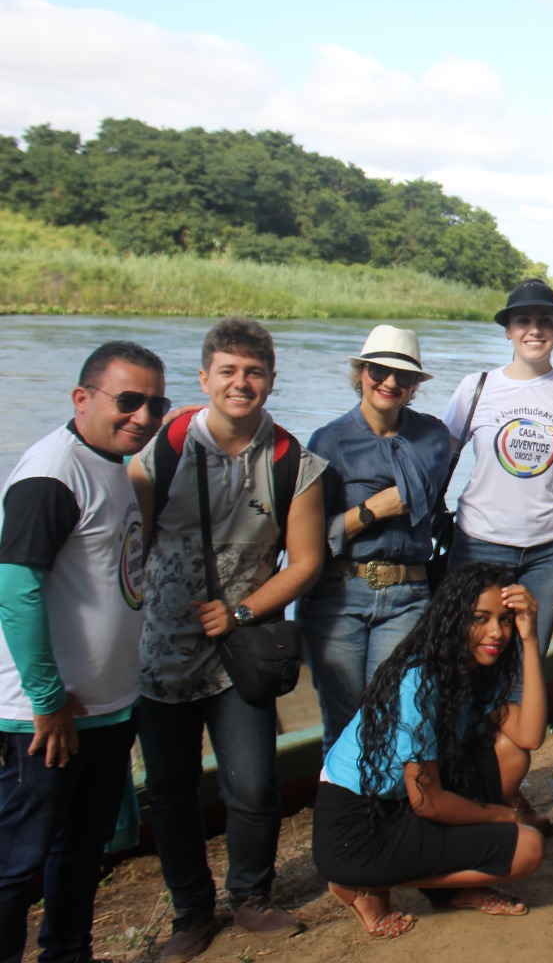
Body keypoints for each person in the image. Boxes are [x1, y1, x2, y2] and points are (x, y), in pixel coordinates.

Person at [130, 317, 328, 961]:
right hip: (161, 649)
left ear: (271, 380)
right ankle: (191, 911)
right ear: (204, 377)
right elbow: (124, 537)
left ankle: (250, 897)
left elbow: (304, 561)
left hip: (239, 649)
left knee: (253, 783)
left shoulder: (292, 461)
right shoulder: (163, 445)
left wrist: (240, 612)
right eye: (228, 371)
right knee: (170, 788)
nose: (240, 383)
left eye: (254, 372)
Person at [0, 342, 167, 963]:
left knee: (81, 850)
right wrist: (47, 700)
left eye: (156, 404)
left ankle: (67, 953)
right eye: (128, 401)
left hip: (105, 708)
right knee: (19, 861)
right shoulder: (53, 473)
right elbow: (15, 589)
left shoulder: (111, 464)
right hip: (45, 717)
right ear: (82, 398)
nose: (144, 417)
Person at [312, 563, 547, 938]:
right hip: (357, 828)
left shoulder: (468, 671)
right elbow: (427, 802)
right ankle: (364, 886)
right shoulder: (418, 681)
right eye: (480, 618)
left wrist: (531, 638)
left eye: (505, 620)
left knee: (513, 752)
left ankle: (450, 890)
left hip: (404, 804)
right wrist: (500, 815)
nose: (496, 632)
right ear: (452, 619)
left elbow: (530, 735)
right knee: (527, 848)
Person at [304, 325, 452, 753]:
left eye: (403, 376)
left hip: (408, 593)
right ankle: (345, 817)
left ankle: (387, 817)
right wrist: (372, 511)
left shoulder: (434, 438)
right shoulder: (328, 441)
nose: (390, 382)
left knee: (395, 714)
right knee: (344, 723)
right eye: (378, 371)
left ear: (415, 386)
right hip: (340, 593)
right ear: (360, 374)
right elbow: (310, 537)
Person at [444, 279, 553, 651]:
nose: (534, 330)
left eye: (545, 321)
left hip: (549, 554)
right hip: (477, 544)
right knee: (467, 652)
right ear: (508, 330)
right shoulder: (476, 388)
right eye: (523, 320)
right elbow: (438, 462)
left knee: (526, 658)